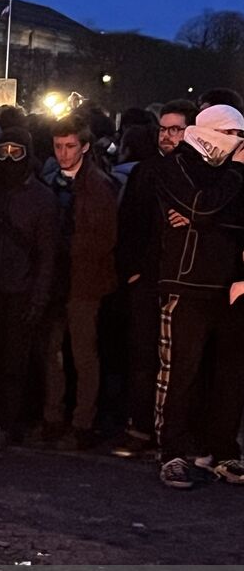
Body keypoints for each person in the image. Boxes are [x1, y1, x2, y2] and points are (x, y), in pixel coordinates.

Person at [154, 105, 244, 488]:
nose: (238, 145)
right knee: (180, 372)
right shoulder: (177, 164)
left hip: (232, 286)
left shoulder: (229, 170)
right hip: (187, 283)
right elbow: (202, 204)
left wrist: (204, 215)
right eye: (234, 135)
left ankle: (221, 449)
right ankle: (172, 451)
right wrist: (207, 208)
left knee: (230, 374)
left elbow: (214, 212)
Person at [116, 99, 194, 450]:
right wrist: (132, 271)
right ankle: (140, 427)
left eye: (176, 129)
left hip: (184, 278)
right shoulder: (145, 171)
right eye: (164, 129)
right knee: (142, 356)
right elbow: (128, 224)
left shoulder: (199, 173)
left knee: (180, 361)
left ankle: (175, 432)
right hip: (146, 279)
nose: (168, 135)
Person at [41, 118, 118, 449]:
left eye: (70, 146)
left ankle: (81, 420)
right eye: (58, 146)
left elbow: (103, 239)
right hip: (59, 278)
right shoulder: (53, 180)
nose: (63, 153)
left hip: (82, 281)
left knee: (82, 353)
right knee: (54, 352)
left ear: (85, 147)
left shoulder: (98, 186)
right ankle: (54, 417)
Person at [0, 130, 57, 447]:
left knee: (14, 361)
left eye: (16, 152)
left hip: (20, 290)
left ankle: (7, 422)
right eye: (3, 152)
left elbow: (47, 253)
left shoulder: (41, 197)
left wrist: (38, 297)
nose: (9, 159)